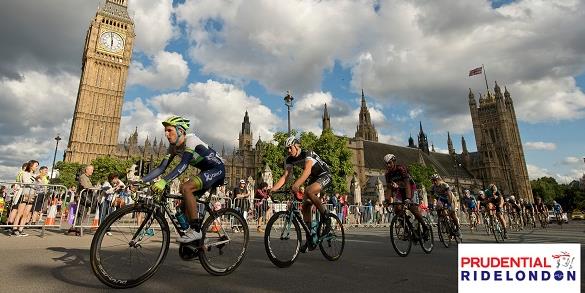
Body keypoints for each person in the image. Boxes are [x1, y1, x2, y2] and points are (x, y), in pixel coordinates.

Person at [142, 115, 225, 243]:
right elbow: (161, 168)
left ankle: (196, 231)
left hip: (217, 170)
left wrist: (164, 181)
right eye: (165, 131)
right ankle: (199, 241)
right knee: (180, 211)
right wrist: (141, 181)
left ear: (180, 131)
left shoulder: (191, 140)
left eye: (169, 130)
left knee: (186, 187)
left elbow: (184, 164)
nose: (166, 134)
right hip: (206, 172)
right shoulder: (173, 148)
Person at [270, 136, 332, 252]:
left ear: (297, 146)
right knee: (305, 206)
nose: (288, 150)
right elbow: (285, 176)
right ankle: (310, 239)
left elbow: (307, 170)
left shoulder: (308, 153)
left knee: (309, 190)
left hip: (324, 175)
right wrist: (273, 189)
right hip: (314, 178)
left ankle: (326, 216)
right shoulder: (289, 159)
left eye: (290, 147)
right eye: (287, 148)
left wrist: (296, 185)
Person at [383, 154, 429, 238]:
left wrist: (408, 198)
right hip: (400, 190)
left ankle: (425, 227)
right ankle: (407, 230)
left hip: (411, 188)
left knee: (413, 209)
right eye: (386, 163)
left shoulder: (401, 169)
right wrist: (386, 200)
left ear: (394, 162)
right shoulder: (387, 174)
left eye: (389, 163)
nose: (388, 165)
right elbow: (389, 188)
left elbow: (407, 183)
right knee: (397, 209)